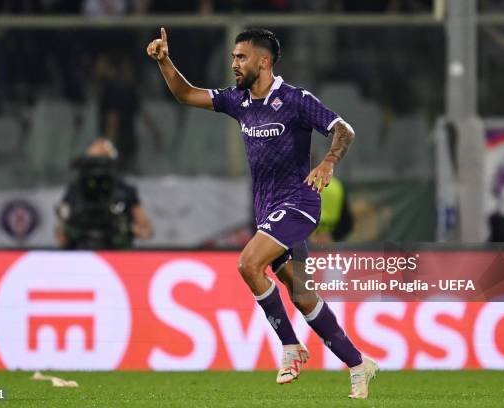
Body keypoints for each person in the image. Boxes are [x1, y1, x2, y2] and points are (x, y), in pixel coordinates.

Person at [147, 28, 377, 398]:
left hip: (299, 203)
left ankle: (289, 346)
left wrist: (329, 161)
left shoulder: (295, 99)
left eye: (241, 57)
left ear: (263, 61)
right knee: (301, 294)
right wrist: (164, 61)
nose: (234, 64)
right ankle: (357, 363)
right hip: (268, 209)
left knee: (248, 264)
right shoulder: (238, 101)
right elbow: (187, 94)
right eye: (233, 57)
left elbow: (343, 129)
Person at [56, 138, 153, 249]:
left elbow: (146, 230)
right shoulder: (75, 189)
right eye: (94, 162)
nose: (97, 170)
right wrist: (70, 229)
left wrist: (128, 231)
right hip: (81, 252)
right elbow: (61, 236)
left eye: (102, 161)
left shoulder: (125, 190)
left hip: (115, 254)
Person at [309, 176, 354, 244]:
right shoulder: (336, 185)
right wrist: (331, 235)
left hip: (302, 245)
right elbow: (347, 223)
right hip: (329, 243)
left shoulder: (295, 185)